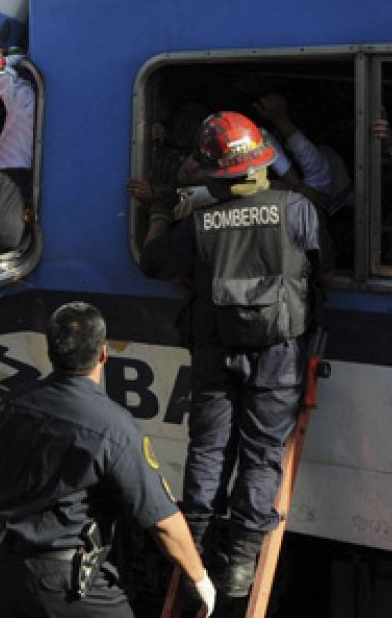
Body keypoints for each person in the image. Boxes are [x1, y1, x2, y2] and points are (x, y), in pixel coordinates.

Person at [139, 112, 327, 611]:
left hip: (214, 350)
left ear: (213, 171)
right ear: (260, 161)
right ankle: (242, 563)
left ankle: (194, 546)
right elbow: (320, 270)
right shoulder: (297, 210)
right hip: (280, 353)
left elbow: (152, 261)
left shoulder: (199, 221)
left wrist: (160, 209)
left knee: (208, 449)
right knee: (263, 453)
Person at [0, 301, 213, 617]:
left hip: (7, 573)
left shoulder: (14, 402)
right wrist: (199, 578)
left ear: (51, 351)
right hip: (66, 584)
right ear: (103, 353)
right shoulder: (113, 427)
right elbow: (162, 520)